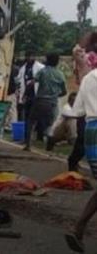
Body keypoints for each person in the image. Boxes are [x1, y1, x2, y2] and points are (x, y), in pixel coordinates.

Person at [67, 68, 97, 252]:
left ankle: (78, 229)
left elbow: (77, 111)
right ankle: (78, 228)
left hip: (91, 133)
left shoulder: (89, 77)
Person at [24, 53, 66, 151]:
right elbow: (64, 92)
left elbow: (32, 82)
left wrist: (26, 92)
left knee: (31, 121)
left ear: (47, 60)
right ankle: (49, 142)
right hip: (52, 103)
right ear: (57, 62)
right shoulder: (60, 74)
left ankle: (28, 145)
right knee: (51, 124)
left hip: (40, 101)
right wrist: (55, 95)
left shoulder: (43, 71)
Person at [68, 32, 97, 171]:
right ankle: (73, 162)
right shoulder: (85, 57)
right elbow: (76, 51)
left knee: (85, 137)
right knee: (83, 139)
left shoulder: (85, 58)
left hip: (87, 99)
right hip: (88, 101)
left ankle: (74, 162)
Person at [17, 52, 43, 123]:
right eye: (28, 56)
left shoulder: (40, 67)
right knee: (26, 114)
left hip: (36, 94)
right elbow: (19, 81)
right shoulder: (23, 68)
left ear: (34, 57)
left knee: (36, 115)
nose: (29, 58)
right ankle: (27, 128)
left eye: (31, 56)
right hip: (26, 95)